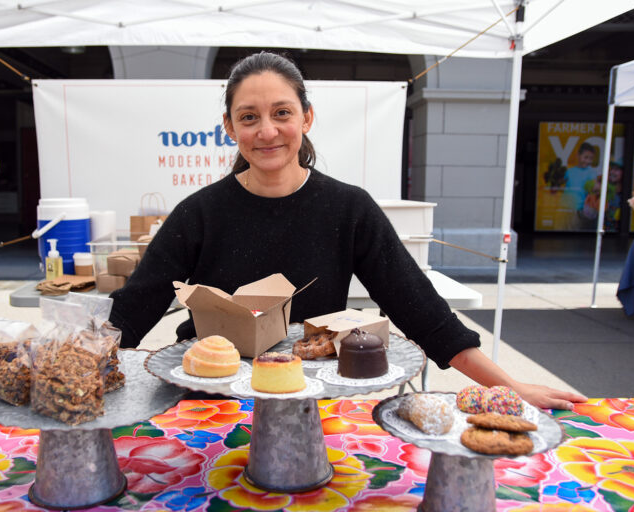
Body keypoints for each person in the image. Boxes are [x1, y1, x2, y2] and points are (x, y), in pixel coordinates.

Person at [113, 51, 585, 411]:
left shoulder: (348, 208)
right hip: (209, 404)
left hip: (312, 401)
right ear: (230, 128)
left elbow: (422, 312)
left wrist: (511, 387)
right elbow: (133, 312)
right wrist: (73, 367)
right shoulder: (199, 213)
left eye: (282, 112)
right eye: (249, 117)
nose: (267, 131)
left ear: (306, 117)